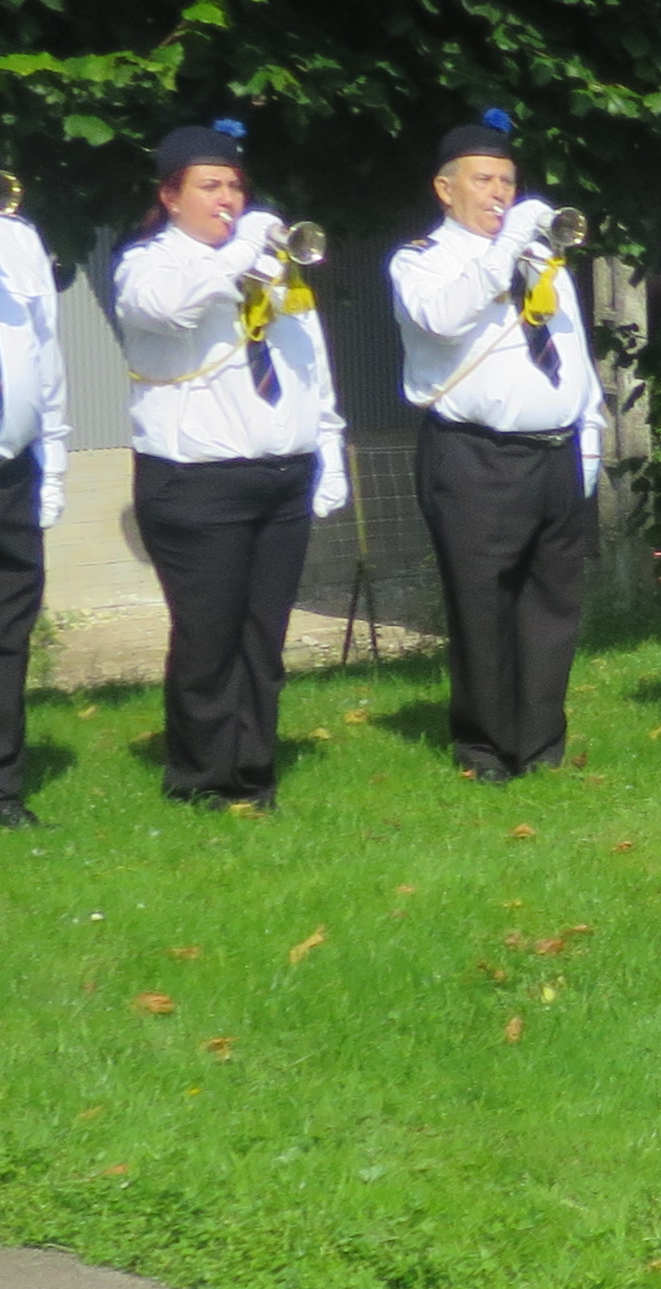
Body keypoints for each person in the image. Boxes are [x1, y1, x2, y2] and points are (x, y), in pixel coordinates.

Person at [111, 120, 345, 809]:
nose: (228, 200)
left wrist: (327, 450)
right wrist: (244, 251)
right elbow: (171, 311)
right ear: (171, 196)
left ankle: (252, 771)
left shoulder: (269, 267)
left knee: (263, 636)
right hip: (196, 481)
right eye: (210, 186)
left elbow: (310, 367)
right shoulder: (148, 263)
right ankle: (201, 778)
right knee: (208, 637)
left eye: (236, 187)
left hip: (281, 474)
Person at [389, 108, 604, 782]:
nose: (499, 194)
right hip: (475, 456)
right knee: (482, 605)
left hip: (554, 451)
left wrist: (589, 433)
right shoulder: (422, 260)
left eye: (507, 182)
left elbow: (573, 350)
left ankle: (540, 745)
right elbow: (441, 318)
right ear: (445, 188)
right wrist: (505, 247)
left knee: (552, 604)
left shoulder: (539, 259)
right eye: (483, 180)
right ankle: (485, 748)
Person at [0, 170, 68, 827]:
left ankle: (2, 790)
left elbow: (46, 358)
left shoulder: (17, 241)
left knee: (8, 634)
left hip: (12, 468)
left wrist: (55, 463)